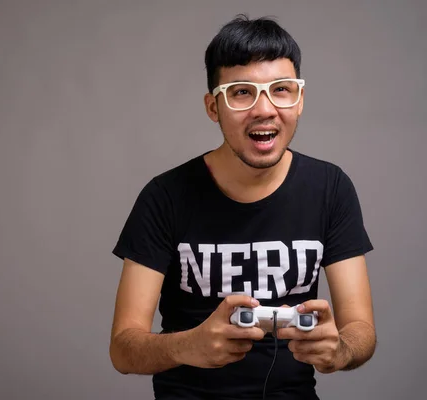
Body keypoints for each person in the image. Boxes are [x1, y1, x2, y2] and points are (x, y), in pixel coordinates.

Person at [108, 14, 377, 400]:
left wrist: (339, 350)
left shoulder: (331, 188)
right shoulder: (164, 196)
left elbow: (361, 330)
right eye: (241, 92)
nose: (264, 109)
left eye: (281, 89)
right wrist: (190, 346)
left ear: (299, 101)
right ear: (213, 107)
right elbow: (123, 348)